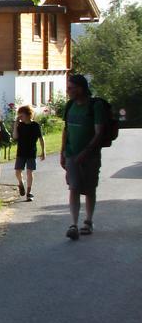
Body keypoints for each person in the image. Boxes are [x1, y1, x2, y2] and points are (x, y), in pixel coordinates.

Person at [61, 74, 105, 240]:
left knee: (89, 188)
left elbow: (99, 132)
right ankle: (73, 224)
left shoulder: (95, 106)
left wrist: (86, 152)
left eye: (71, 88)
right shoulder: (70, 105)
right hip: (72, 154)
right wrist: (62, 152)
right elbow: (66, 130)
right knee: (74, 188)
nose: (68, 91)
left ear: (81, 88)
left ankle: (88, 221)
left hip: (90, 156)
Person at [12, 105, 45, 201]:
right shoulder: (20, 125)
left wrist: (43, 151)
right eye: (19, 115)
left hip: (31, 152)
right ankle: (21, 184)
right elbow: (15, 137)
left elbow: (41, 138)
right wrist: (15, 125)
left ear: (28, 115)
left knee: (29, 172)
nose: (20, 117)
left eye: (21, 115)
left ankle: (29, 192)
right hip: (21, 152)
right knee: (18, 171)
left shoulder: (35, 125)